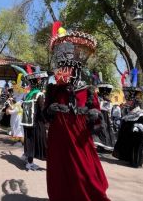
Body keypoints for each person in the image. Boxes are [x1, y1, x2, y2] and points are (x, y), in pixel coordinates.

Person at [44, 23, 110, 200]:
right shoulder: (53, 88)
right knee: (61, 172)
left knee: (84, 173)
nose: (67, 71)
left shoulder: (88, 89)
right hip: (59, 134)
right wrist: (50, 109)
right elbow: (44, 114)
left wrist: (93, 114)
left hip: (79, 136)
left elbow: (95, 109)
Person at [113, 88, 143, 168]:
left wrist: (138, 127)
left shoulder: (141, 113)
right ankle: (130, 160)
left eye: (130, 102)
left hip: (137, 135)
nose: (128, 103)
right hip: (131, 135)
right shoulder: (129, 113)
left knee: (137, 148)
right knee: (130, 146)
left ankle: (136, 163)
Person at [20, 65, 48, 171]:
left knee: (29, 141)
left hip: (27, 123)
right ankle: (30, 162)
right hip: (36, 123)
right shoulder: (39, 94)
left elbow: (23, 106)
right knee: (39, 141)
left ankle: (28, 159)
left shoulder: (28, 95)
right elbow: (42, 110)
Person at [93, 83, 117, 151]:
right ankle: (101, 146)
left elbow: (106, 108)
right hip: (101, 116)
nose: (105, 95)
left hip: (104, 117)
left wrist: (103, 102)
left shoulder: (107, 101)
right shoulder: (100, 99)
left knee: (104, 130)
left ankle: (104, 146)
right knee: (101, 130)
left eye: (106, 93)